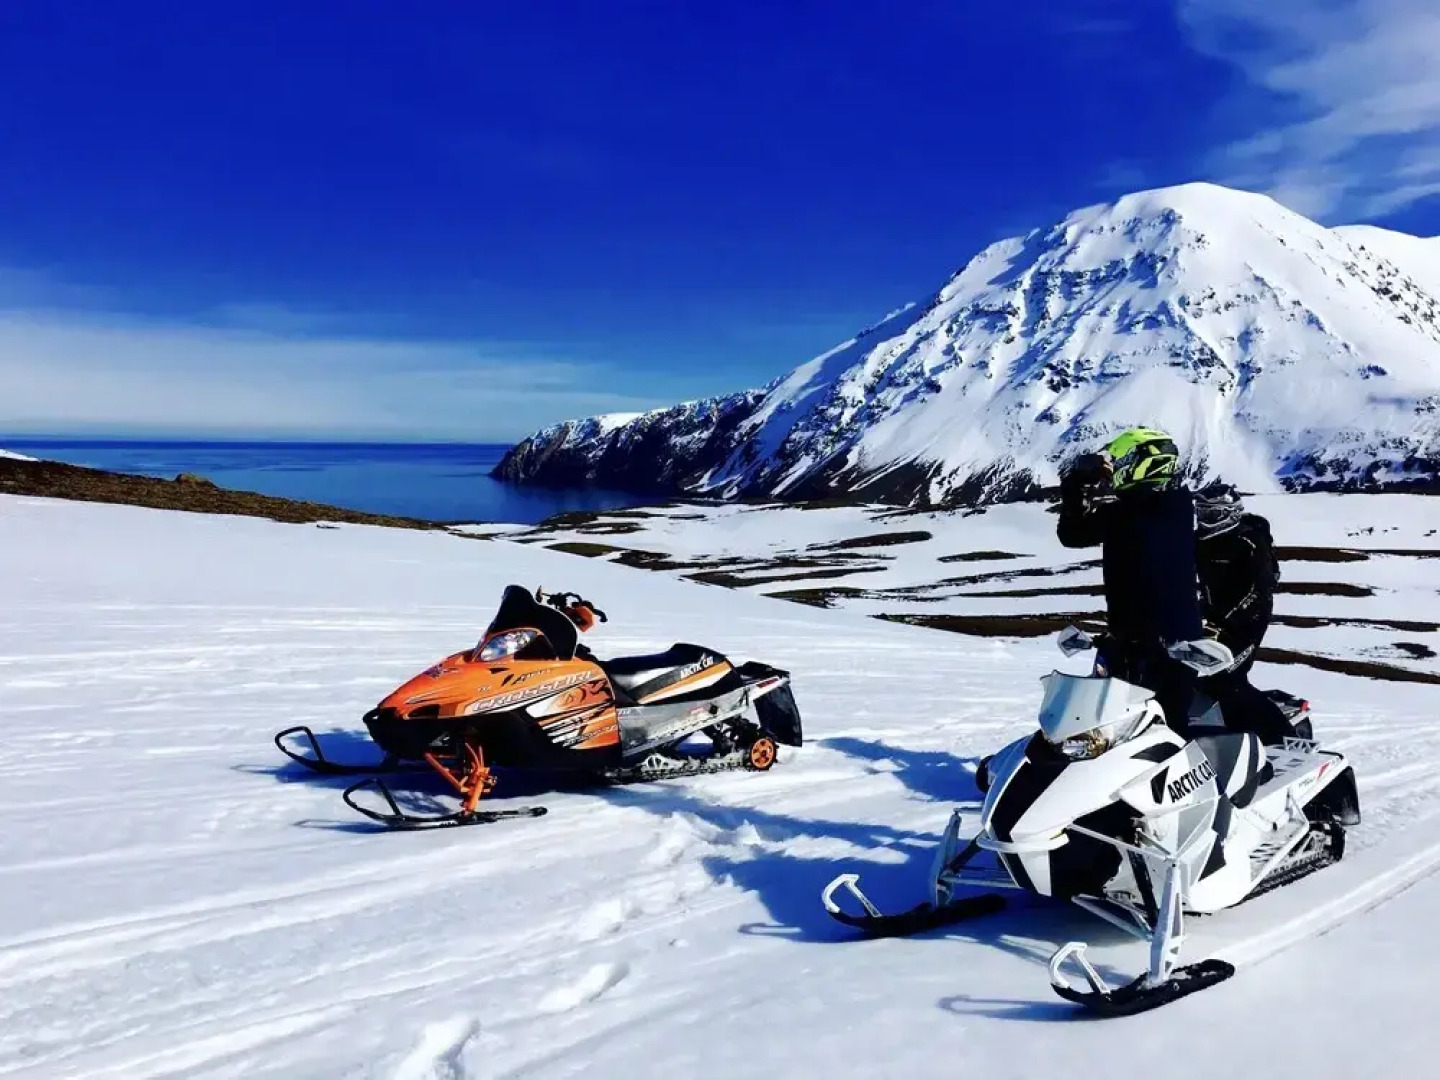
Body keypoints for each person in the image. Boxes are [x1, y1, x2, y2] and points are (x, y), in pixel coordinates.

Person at [1057, 428, 1291, 743]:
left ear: (1141, 463)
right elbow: (1072, 535)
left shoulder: (1171, 506)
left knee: (1169, 728)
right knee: (1105, 720)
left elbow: (1136, 511)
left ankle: (1285, 744)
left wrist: (1091, 480)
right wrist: (1076, 484)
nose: (1113, 469)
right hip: (1128, 639)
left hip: (1173, 646)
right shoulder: (1124, 511)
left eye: (1120, 460)